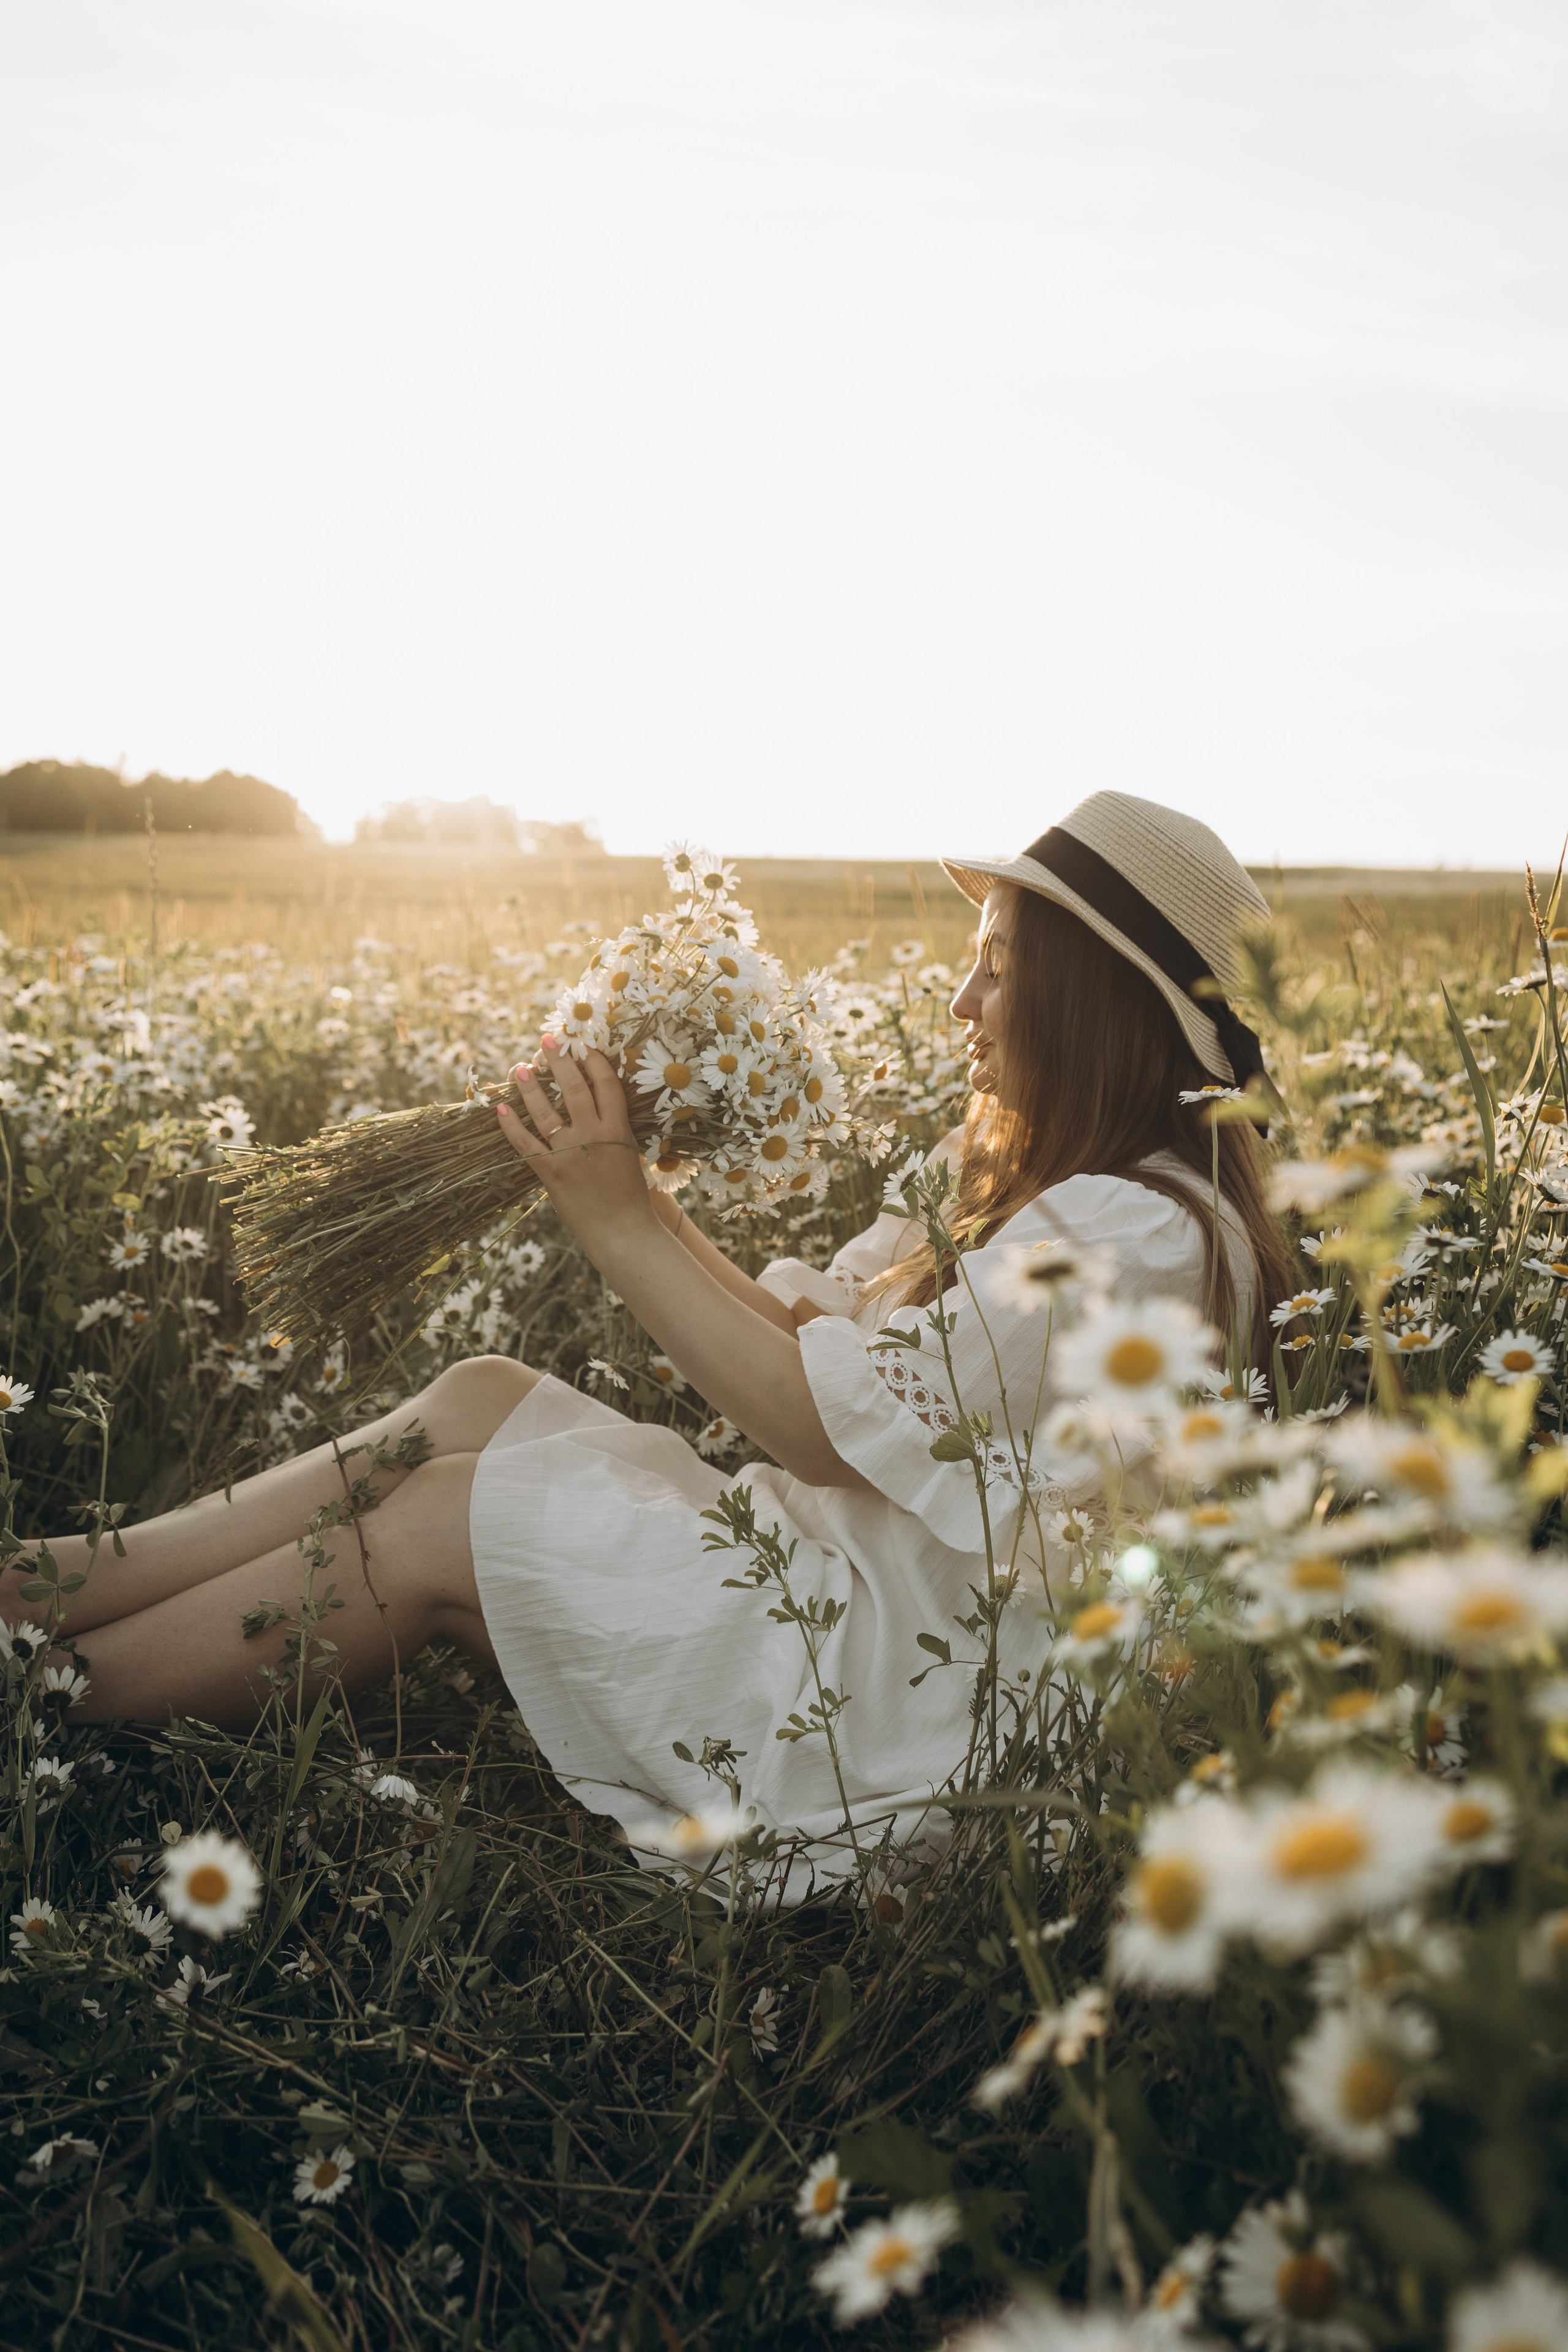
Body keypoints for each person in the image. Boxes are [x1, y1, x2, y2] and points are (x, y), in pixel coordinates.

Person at [24, 791, 1291, 1883]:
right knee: (482, 1394)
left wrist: (618, 1218)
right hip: (854, 1593)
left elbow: (816, 1437)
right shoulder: (1072, 1193)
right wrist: (633, 1186)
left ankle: (45, 1701)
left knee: (445, 1515)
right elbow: (826, 1350)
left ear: (1101, 1010)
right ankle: (53, 1584)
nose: (964, 1003)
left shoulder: (1127, 1237)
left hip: (885, 1694)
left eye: (1001, 968)